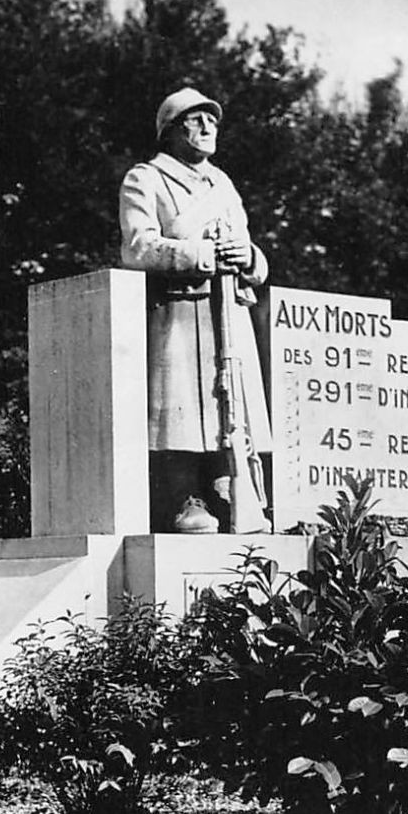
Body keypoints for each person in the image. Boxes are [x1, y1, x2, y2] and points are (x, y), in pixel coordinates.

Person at [118, 87, 273, 532]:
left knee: (231, 407)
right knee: (181, 407)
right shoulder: (146, 178)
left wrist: (249, 257)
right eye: (194, 119)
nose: (207, 127)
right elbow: (138, 247)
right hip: (180, 307)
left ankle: (227, 488)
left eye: (212, 120)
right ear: (170, 130)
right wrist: (200, 254)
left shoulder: (222, 183)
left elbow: (249, 248)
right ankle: (183, 496)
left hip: (229, 306)